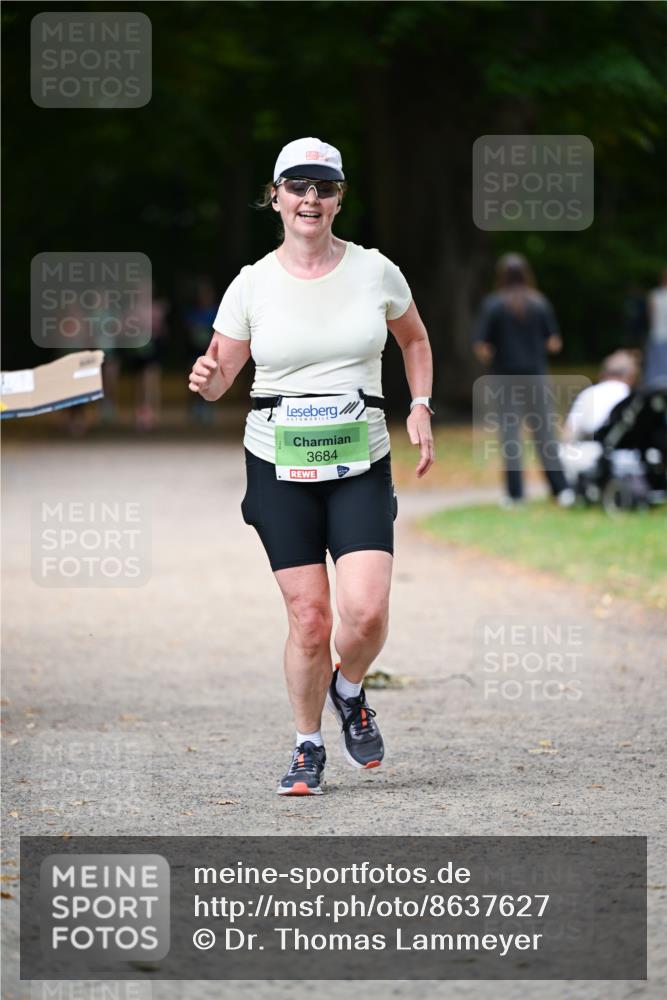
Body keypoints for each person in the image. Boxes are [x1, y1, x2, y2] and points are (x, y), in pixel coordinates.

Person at [187, 137, 435, 795]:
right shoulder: (251, 283)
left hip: (359, 460)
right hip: (277, 462)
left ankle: (347, 688)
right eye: (297, 186)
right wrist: (208, 379)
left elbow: (413, 338)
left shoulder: (375, 270)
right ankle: (306, 747)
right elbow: (220, 379)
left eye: (323, 188)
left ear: (338, 199)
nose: (309, 198)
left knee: (368, 614)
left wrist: (420, 404)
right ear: (276, 197)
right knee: (310, 619)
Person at [472, 253, 574, 507]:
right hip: (536, 377)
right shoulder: (539, 303)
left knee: (510, 437)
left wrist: (497, 354)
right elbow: (554, 343)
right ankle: (561, 490)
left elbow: (481, 347)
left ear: (502, 276)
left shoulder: (493, 305)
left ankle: (515, 495)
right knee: (545, 434)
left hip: (505, 379)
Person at [559, 350, 639, 485]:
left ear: (603, 373)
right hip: (628, 459)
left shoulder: (588, 394)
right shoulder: (634, 398)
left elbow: (568, 434)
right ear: (630, 376)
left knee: (562, 452)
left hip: (589, 456)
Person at [643, 267, 667, 388]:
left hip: (657, 333)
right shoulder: (655, 294)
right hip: (659, 333)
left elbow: (650, 315)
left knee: (656, 363)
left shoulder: (655, 294)